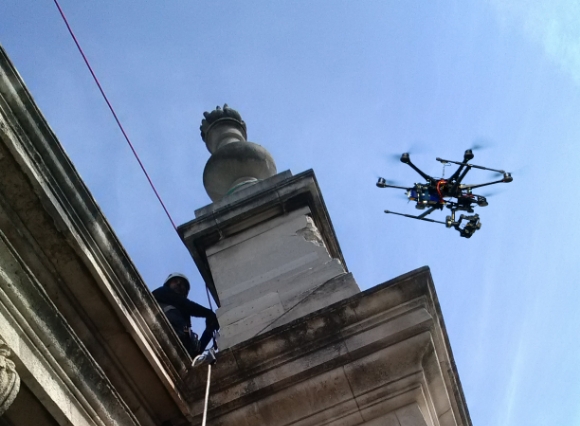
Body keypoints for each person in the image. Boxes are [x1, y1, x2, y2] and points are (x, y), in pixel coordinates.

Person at [153, 273, 219, 356]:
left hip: (175, 353)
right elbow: (184, 304)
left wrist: (209, 330)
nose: (179, 284)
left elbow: (195, 353)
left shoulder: (184, 322)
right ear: (168, 284)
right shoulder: (161, 293)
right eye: (175, 281)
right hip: (159, 336)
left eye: (182, 284)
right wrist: (208, 313)